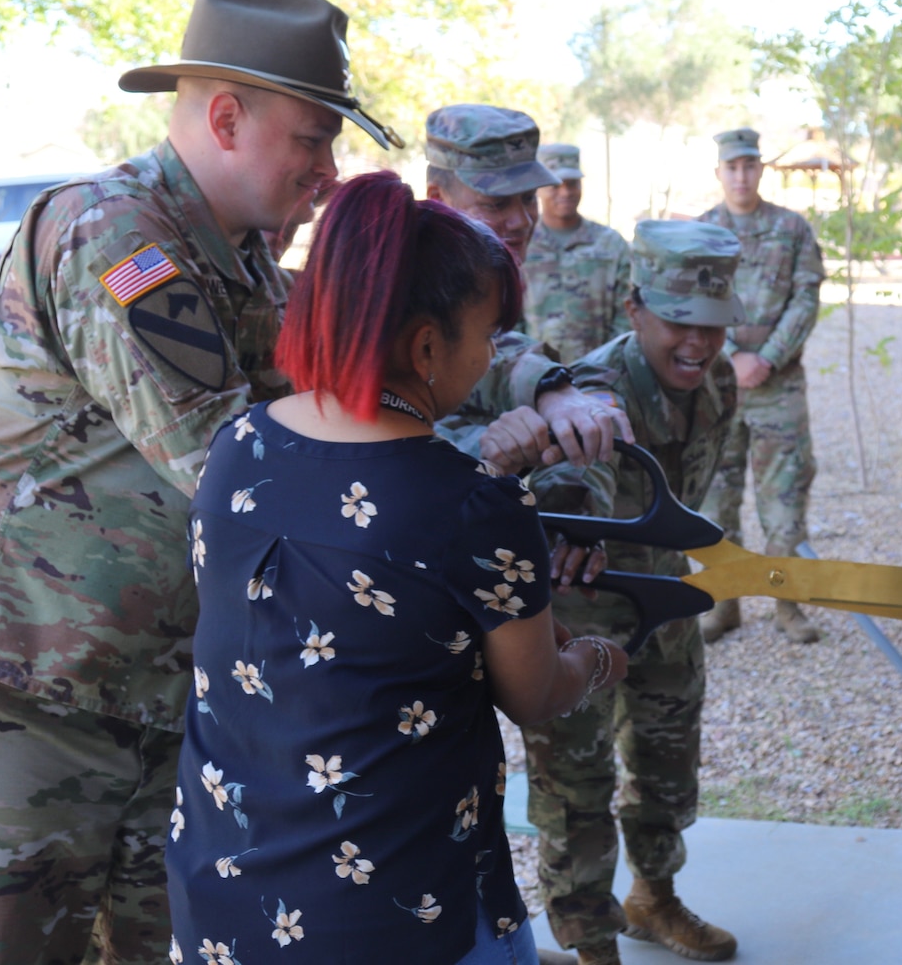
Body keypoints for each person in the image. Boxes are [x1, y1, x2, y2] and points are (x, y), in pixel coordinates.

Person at [0, 0, 397, 964]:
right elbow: (235, 467)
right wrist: (439, 549)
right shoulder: (113, 234)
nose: (328, 168)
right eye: (313, 138)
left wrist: (545, 392)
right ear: (227, 117)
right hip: (13, 697)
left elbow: (376, 353)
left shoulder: (245, 265)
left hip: (150, 703)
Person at [165, 170, 628, 964]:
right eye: (487, 338)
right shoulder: (475, 506)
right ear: (424, 346)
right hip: (400, 918)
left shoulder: (237, 446)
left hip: (224, 903)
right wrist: (598, 658)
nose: (489, 361)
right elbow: (537, 692)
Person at [525, 221, 745, 965]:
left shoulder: (717, 382)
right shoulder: (594, 392)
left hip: (668, 605)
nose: (698, 343)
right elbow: (569, 480)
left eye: (712, 326)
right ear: (635, 311)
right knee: (575, 789)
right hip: (581, 623)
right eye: (678, 322)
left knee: (666, 764)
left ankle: (654, 898)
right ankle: (591, 946)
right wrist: (578, 527)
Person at [424, 105, 631, 477]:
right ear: (439, 198)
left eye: (528, 198)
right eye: (496, 203)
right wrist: (487, 444)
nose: (521, 221)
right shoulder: (411, 282)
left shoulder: (488, 274)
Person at [694, 127, 824, 644]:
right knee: (712, 504)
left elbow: (806, 298)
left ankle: (788, 605)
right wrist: (730, 358)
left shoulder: (791, 229)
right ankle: (722, 604)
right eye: (732, 167)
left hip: (778, 389)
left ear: (761, 170)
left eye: (750, 165)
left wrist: (766, 359)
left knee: (784, 503)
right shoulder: (702, 232)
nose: (741, 175)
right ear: (719, 172)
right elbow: (689, 305)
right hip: (715, 391)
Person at [525, 143, 633, 364]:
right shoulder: (522, 244)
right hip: (533, 374)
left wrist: (607, 364)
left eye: (572, 184)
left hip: (601, 373)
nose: (566, 192)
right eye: (555, 185)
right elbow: (509, 317)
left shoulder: (610, 244)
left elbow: (628, 314)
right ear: (537, 188)